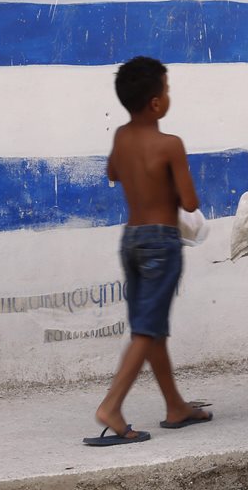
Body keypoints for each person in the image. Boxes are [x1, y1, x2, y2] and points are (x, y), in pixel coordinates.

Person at [84, 56, 212, 447]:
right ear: (156, 103)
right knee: (146, 330)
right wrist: (168, 184)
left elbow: (113, 173)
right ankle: (112, 406)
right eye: (167, 89)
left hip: (132, 240)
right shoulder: (170, 145)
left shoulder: (122, 137)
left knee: (151, 327)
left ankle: (175, 406)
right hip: (161, 242)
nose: (169, 95)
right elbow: (189, 203)